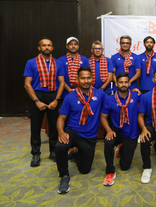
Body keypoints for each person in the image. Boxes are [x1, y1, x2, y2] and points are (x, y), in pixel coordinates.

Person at [55, 66, 106, 194]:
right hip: (73, 132)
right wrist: (61, 132)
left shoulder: (100, 95)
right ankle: (64, 176)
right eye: (83, 78)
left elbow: (114, 101)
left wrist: (134, 93)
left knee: (85, 170)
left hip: (89, 137)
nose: (86, 81)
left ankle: (75, 154)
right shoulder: (70, 97)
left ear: (92, 79)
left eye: (89, 78)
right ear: (77, 80)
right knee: (60, 146)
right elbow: (61, 118)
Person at [24, 39, 65, 167]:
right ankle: (36, 153)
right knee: (35, 127)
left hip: (53, 95)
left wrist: (56, 100)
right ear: (39, 47)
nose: (47, 47)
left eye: (49, 45)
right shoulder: (31, 63)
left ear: (52, 47)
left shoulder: (58, 63)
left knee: (54, 126)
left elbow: (62, 83)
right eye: (44, 45)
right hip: (37, 95)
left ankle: (53, 151)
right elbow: (27, 84)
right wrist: (36, 101)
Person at [101, 73, 140, 186]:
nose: (123, 84)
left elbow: (151, 95)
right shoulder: (109, 99)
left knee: (125, 167)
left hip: (131, 133)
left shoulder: (135, 95)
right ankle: (110, 171)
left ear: (129, 83)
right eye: (121, 82)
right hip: (116, 131)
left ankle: (122, 147)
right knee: (108, 143)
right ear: (116, 84)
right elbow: (103, 117)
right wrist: (109, 130)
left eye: (126, 82)